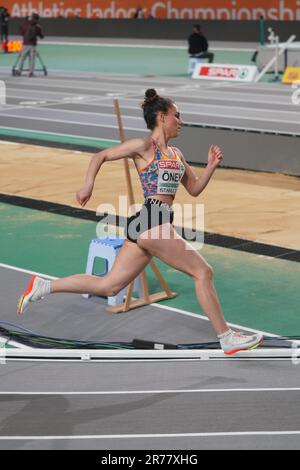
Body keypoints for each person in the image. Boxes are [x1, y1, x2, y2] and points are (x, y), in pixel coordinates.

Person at [17, 88, 263, 356]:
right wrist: (88, 185)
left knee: (109, 285)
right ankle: (226, 338)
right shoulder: (144, 147)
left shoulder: (177, 154)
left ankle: (44, 286)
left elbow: (193, 188)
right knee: (203, 272)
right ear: (161, 117)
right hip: (152, 219)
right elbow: (100, 156)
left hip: (147, 224)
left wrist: (211, 166)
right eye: (176, 116)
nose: (181, 121)